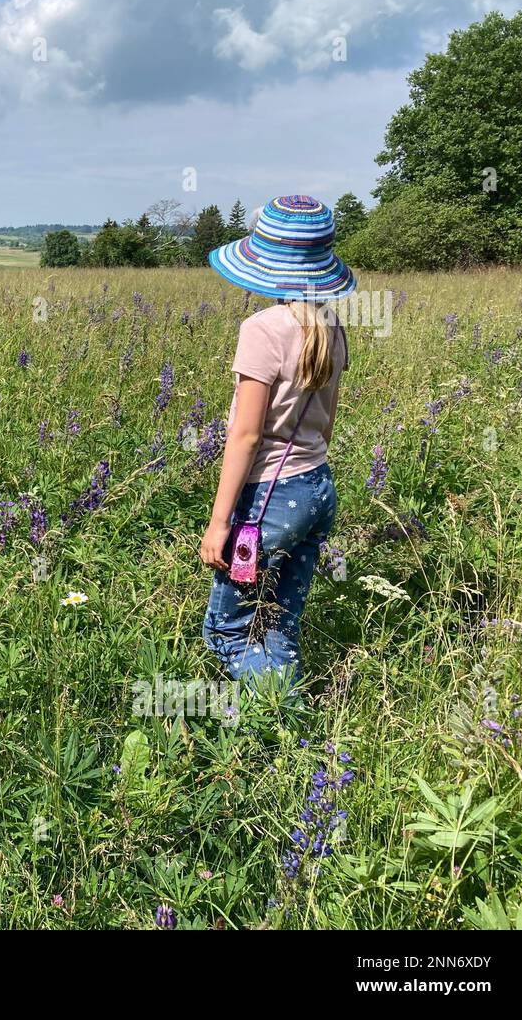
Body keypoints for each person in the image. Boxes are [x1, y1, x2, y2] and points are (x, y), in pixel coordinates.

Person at [200, 195, 354, 685]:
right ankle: (295, 735)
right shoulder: (332, 327)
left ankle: (277, 726)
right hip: (317, 490)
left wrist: (220, 522)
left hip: (266, 506)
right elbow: (326, 423)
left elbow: (244, 436)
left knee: (229, 627)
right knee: (279, 622)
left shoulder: (262, 329)